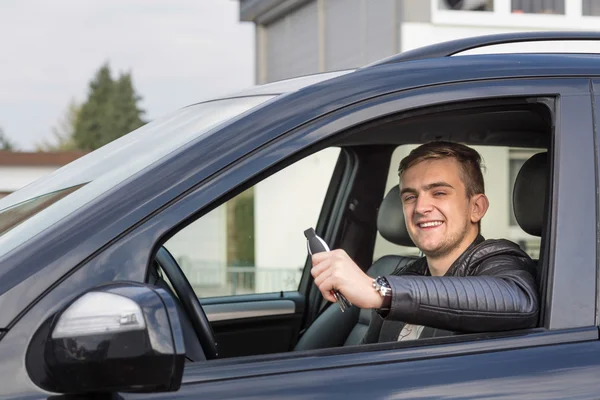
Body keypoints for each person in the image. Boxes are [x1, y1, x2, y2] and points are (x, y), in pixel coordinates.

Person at [310, 141, 539, 343]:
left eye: (439, 193)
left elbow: (517, 299)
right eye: (410, 197)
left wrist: (380, 292)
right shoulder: (402, 277)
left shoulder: (498, 258)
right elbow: (367, 359)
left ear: (475, 208)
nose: (420, 208)